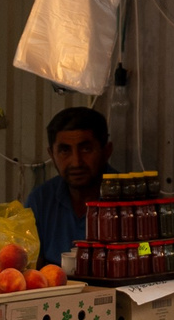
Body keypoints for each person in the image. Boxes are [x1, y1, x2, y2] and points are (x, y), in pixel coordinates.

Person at [23, 105, 112, 267]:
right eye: (65, 151)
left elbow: (148, 250)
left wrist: (134, 252)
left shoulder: (135, 201)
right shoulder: (40, 201)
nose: (76, 162)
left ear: (106, 151)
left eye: (86, 149)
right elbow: (29, 265)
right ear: (52, 155)